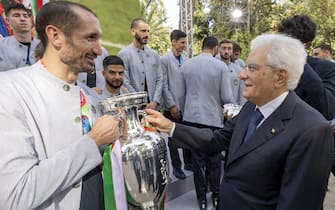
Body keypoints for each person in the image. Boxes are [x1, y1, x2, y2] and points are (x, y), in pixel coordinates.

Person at [145, 33, 333, 210]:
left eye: (252, 68)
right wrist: (170, 127)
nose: (242, 75)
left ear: (280, 77)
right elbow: (216, 140)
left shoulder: (312, 130)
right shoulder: (252, 107)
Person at [0, 1, 121, 210]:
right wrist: (93, 141)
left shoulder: (91, 97)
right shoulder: (9, 91)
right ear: (56, 36)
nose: (99, 50)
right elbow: (14, 196)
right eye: (90, 38)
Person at [180, 36, 235, 210]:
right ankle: (217, 196)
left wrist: (185, 113)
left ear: (202, 46)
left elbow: (181, 95)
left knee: (197, 161)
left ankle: (201, 199)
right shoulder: (220, 67)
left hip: (191, 118)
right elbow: (227, 97)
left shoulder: (187, 65)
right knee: (214, 160)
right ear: (216, 48)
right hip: (213, 119)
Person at [161, 29, 192, 180]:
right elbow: (164, 84)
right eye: (182, 42)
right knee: (173, 138)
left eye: (185, 42)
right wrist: (171, 105)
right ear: (173, 42)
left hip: (185, 105)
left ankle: (188, 162)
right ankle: (177, 167)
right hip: (171, 105)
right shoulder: (165, 60)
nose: (184, 45)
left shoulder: (186, 60)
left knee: (186, 135)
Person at [118, 18, 163, 110]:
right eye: (143, 31)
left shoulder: (154, 54)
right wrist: (140, 102)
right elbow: (124, 82)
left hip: (153, 108)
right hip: (134, 109)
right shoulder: (124, 54)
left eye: (148, 31)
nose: (146, 34)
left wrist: (155, 101)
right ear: (133, 32)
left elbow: (160, 79)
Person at [0, 3, 40, 71]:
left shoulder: (43, 46)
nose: (22, 19)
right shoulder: (2, 47)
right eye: (16, 15)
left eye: (25, 16)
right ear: (7, 21)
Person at [217, 39, 246, 105]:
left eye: (229, 48)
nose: (226, 51)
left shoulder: (238, 70)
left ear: (232, 50)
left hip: (232, 110)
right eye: (223, 48)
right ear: (218, 49)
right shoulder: (212, 68)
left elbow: (242, 94)